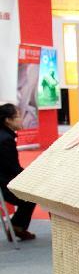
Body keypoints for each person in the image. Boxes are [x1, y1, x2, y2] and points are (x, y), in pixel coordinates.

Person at [0, 103, 37, 241]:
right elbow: (13, 168)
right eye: (18, 116)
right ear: (8, 120)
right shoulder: (5, 140)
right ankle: (17, 227)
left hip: (5, 180)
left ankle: (17, 226)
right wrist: (30, 176)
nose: (21, 119)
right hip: (5, 185)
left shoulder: (4, 136)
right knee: (31, 194)